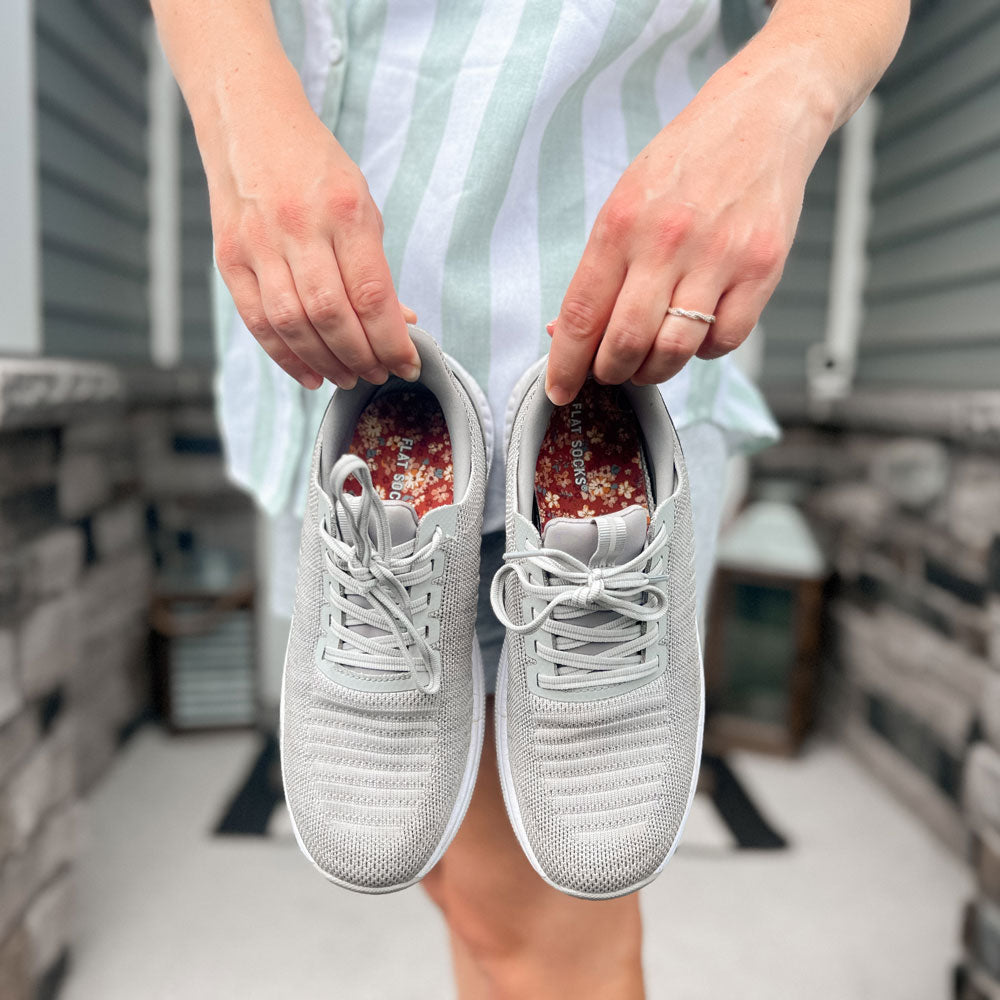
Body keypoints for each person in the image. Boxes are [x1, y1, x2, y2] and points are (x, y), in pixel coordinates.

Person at [150, 0, 909, 995]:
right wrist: (240, 118)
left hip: (608, 289)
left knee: (539, 947)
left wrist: (782, 103)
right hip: (307, 313)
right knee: (470, 900)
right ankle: (400, 511)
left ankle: (591, 534)